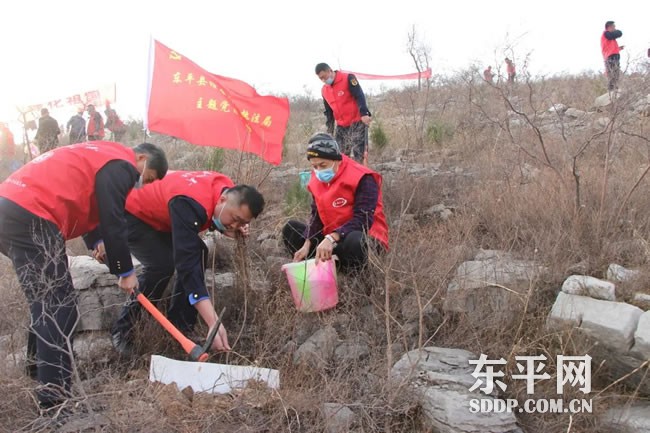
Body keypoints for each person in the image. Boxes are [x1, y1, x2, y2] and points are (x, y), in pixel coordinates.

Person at [0, 141, 167, 414]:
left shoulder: (101, 153)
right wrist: (125, 271)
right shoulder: (122, 163)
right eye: (144, 178)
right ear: (142, 158)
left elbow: (90, 200)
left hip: (10, 207)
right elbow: (113, 216)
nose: (138, 183)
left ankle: (37, 374)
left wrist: (97, 241)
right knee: (59, 306)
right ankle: (55, 403)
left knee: (47, 303)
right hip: (33, 214)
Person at [103, 171, 265, 356]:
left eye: (242, 223)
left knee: (199, 251)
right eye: (235, 219)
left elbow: (202, 221)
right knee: (162, 265)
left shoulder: (226, 189)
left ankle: (181, 327)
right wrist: (212, 321)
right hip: (130, 211)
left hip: (162, 212)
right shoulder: (190, 202)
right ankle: (123, 331)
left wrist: (228, 225)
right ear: (222, 200)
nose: (235, 226)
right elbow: (186, 264)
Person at [282, 133, 389, 272]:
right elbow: (316, 215)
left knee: (356, 240)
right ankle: (319, 271)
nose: (319, 170)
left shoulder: (363, 177)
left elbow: (363, 220)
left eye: (323, 165)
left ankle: (357, 277)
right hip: (332, 240)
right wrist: (307, 243)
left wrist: (331, 238)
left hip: (362, 238)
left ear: (337, 160)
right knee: (291, 229)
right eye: (315, 166)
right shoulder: (317, 178)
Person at [315, 63, 371, 163]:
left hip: (357, 123)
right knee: (340, 156)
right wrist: (330, 129)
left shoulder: (347, 78)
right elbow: (328, 111)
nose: (323, 80)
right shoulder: (324, 90)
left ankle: (362, 176)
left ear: (330, 71)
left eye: (324, 77)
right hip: (341, 126)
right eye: (320, 78)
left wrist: (364, 113)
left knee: (360, 155)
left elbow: (359, 95)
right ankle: (345, 177)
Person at [601, 20, 624, 91]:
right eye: (613, 27)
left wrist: (618, 48)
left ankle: (614, 89)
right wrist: (616, 32)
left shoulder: (610, 38)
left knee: (616, 73)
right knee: (612, 74)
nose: (615, 28)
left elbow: (610, 47)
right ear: (609, 27)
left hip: (614, 55)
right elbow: (619, 33)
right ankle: (611, 91)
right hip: (610, 57)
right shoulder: (606, 34)